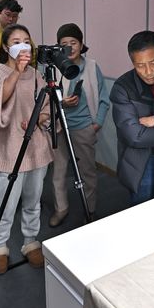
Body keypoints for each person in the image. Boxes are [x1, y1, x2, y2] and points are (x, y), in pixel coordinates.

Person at [0, 24, 53, 273]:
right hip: (8, 149)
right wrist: (17, 71)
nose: (22, 45)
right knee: (6, 204)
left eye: (26, 40)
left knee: (33, 201)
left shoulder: (36, 74)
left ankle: (30, 240)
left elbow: (46, 108)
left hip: (36, 149)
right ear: (5, 47)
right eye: (16, 41)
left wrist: (40, 120)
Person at [48, 23, 110, 227]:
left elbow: (103, 98)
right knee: (58, 172)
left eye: (73, 42)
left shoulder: (92, 66)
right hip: (59, 127)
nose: (69, 47)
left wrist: (97, 124)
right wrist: (62, 103)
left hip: (84, 128)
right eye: (64, 44)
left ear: (81, 43)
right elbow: (46, 102)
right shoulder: (55, 69)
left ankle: (89, 210)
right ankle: (61, 209)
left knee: (88, 173)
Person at [110, 30, 154, 206]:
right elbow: (135, 136)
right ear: (133, 63)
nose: (148, 71)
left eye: (153, 62)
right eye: (140, 65)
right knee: (142, 211)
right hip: (142, 162)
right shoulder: (122, 87)